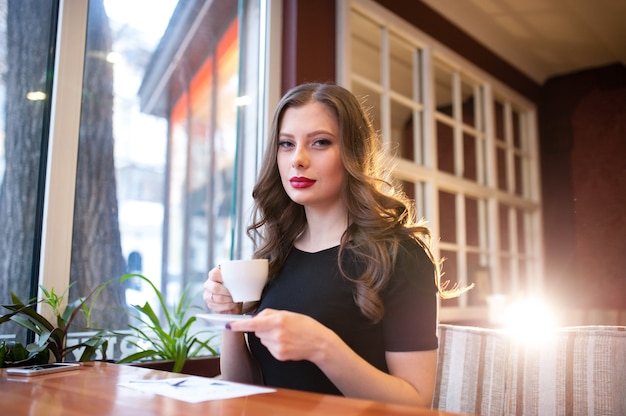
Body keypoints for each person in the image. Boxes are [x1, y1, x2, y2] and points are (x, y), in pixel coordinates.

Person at [203, 82, 465, 407]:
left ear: (353, 153)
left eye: (320, 142)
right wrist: (233, 319)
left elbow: (414, 404)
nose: (297, 159)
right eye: (286, 144)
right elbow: (245, 386)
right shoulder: (275, 255)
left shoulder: (401, 254)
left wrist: (322, 346)